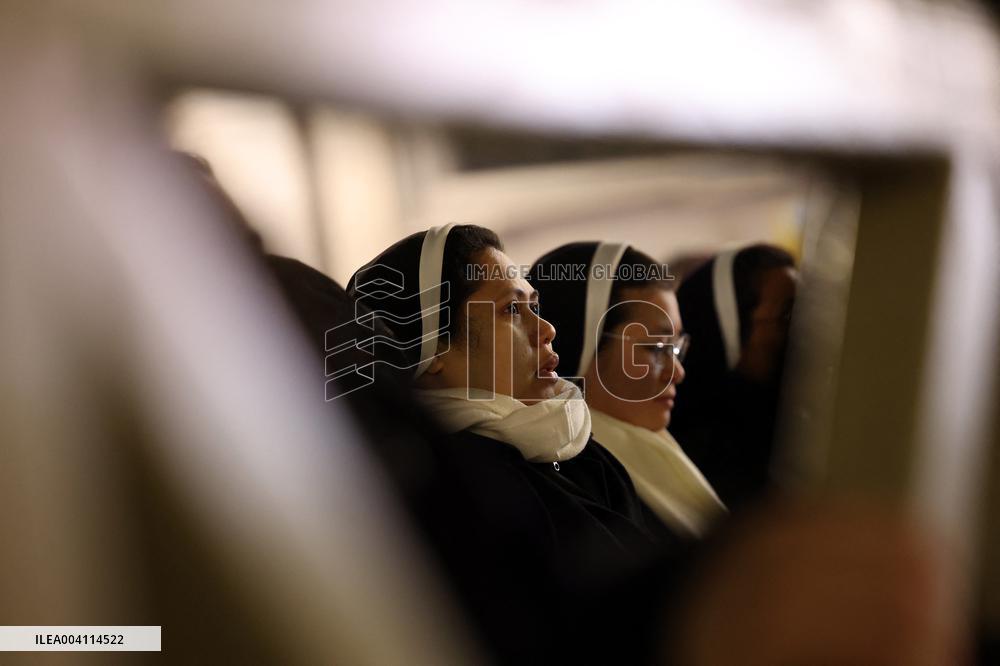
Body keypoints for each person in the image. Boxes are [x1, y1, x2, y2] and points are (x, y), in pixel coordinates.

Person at [529, 242, 724, 538]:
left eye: (676, 349)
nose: (678, 372)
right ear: (578, 345)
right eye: (655, 348)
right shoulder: (569, 498)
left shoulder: (658, 453)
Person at [668, 244, 798, 509]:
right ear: (728, 334)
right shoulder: (698, 468)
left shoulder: (798, 429)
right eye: (787, 314)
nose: (804, 328)